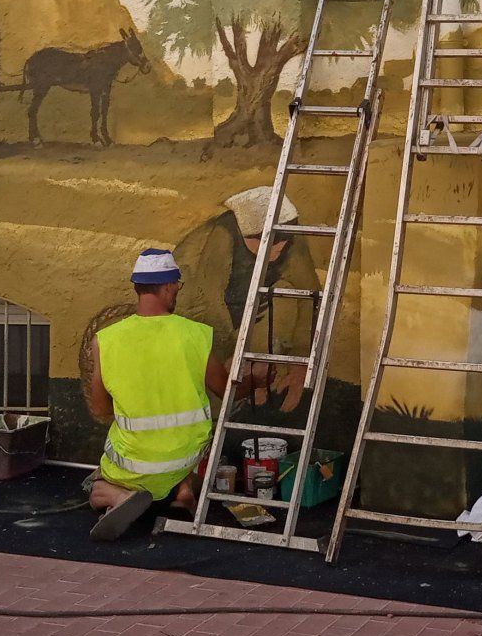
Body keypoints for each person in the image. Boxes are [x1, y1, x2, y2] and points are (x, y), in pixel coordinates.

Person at [80, 248, 230, 541]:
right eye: (177, 286)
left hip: (134, 464)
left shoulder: (106, 340)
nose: (177, 292)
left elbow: (99, 409)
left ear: (138, 287)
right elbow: (227, 390)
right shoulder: (196, 334)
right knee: (191, 450)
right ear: (167, 287)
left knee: (95, 486)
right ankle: (184, 489)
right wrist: (254, 379)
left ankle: (120, 496)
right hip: (186, 457)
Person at [173, 186, 319, 410]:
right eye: (265, 242)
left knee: (285, 298)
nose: (276, 249)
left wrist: (301, 361)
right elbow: (208, 305)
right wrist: (234, 360)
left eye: (283, 240)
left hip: (251, 308)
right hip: (197, 313)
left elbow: (310, 297)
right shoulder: (220, 239)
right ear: (245, 234)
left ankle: (268, 384)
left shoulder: (291, 240)